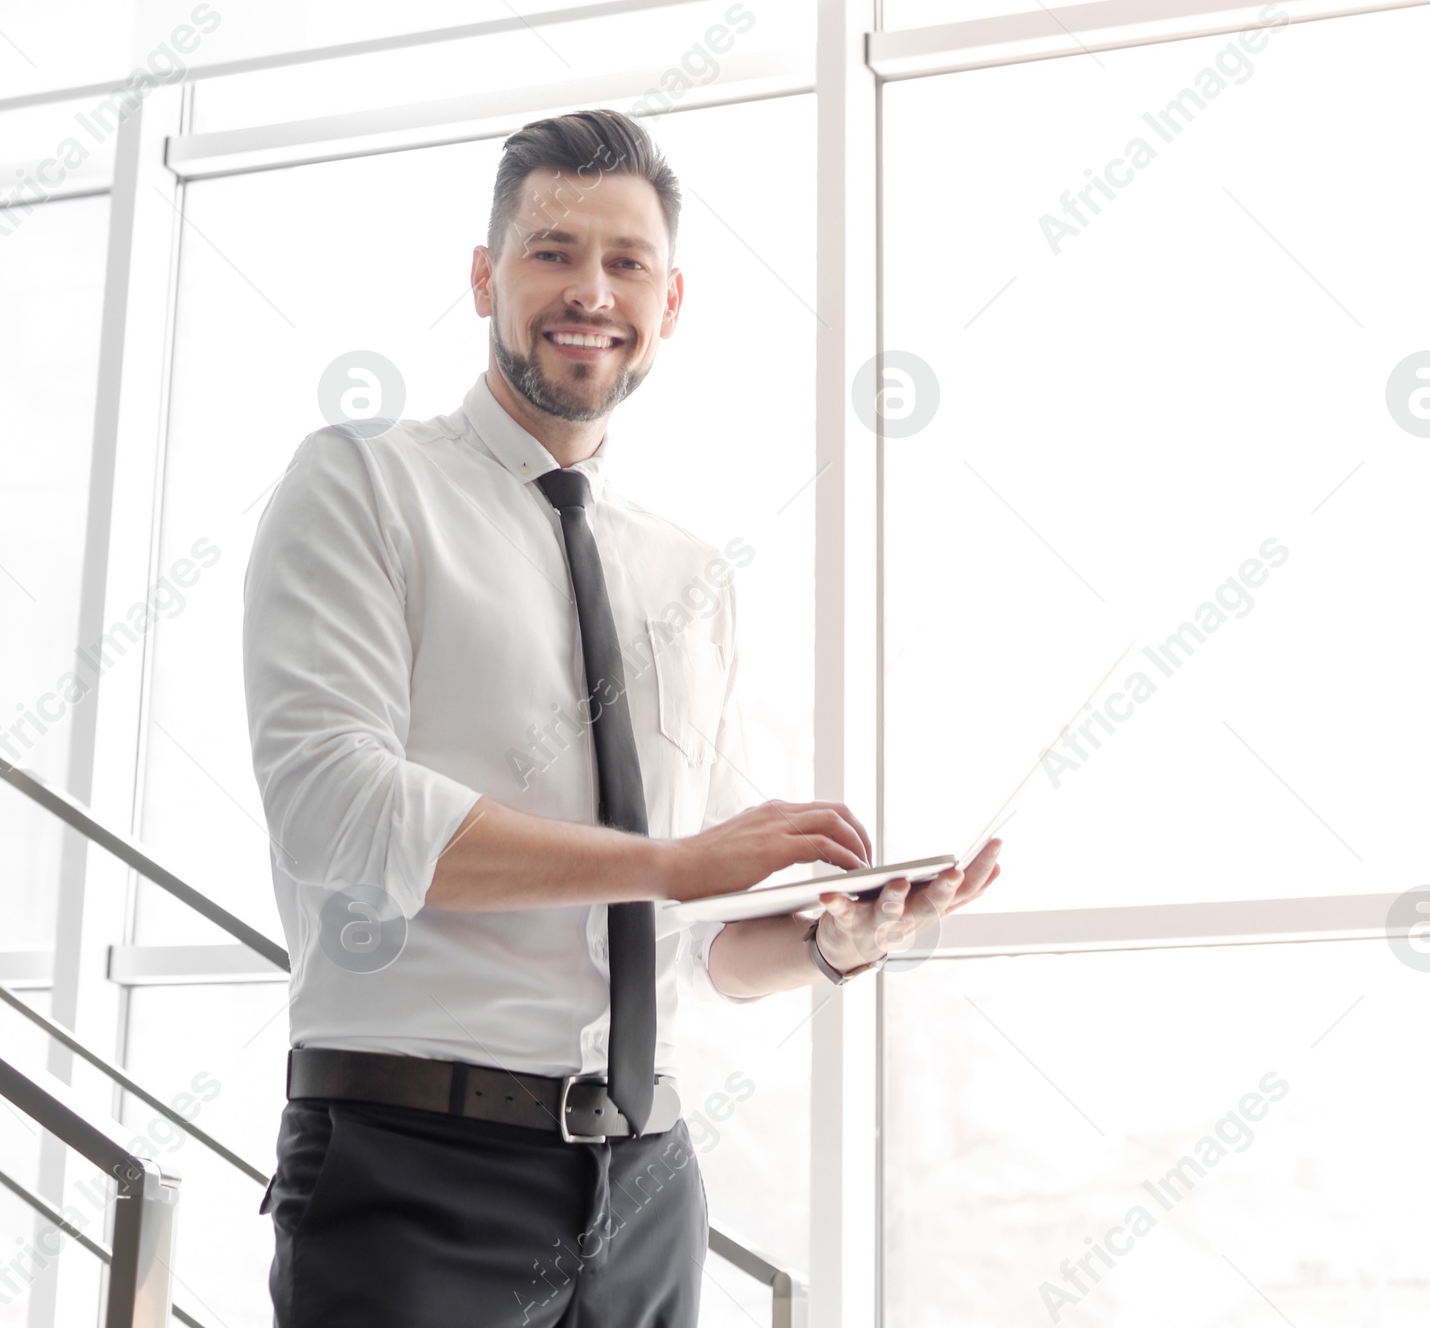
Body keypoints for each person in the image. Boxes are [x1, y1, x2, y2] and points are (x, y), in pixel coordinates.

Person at [245, 108, 1000, 1326]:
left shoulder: (689, 573)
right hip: (413, 1165)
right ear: (485, 277)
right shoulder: (362, 484)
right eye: (551, 252)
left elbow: (695, 935)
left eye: (625, 263)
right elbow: (335, 809)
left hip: (648, 1178)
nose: (587, 290)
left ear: (671, 301)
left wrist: (827, 945)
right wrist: (674, 861)